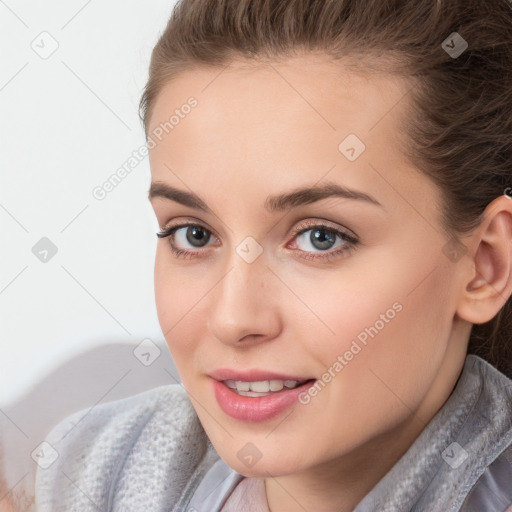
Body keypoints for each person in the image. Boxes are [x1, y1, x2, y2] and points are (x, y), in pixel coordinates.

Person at [32, 0, 512, 510]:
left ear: (485, 266)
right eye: (193, 234)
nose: (233, 319)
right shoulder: (95, 467)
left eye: (320, 238)